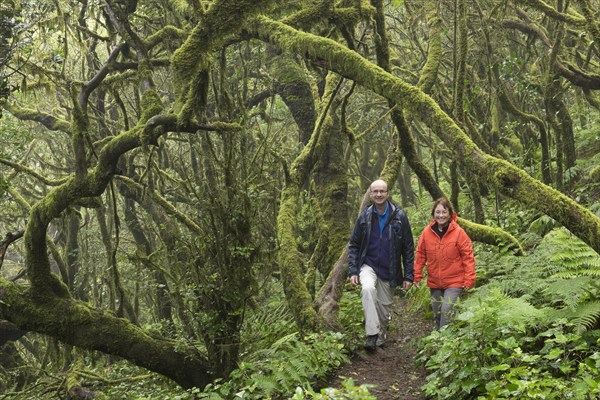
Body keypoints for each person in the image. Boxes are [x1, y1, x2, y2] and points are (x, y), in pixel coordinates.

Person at [348, 179, 414, 352]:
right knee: (368, 289)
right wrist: (353, 270)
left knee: (384, 310)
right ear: (370, 194)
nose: (378, 194)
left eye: (382, 191)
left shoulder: (400, 217)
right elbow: (354, 245)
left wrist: (408, 275)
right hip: (368, 265)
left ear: (387, 193)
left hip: (389, 269)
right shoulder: (364, 216)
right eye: (375, 191)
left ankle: (381, 333)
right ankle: (371, 334)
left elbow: (408, 248)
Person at [414, 197, 476, 329]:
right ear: (433, 214)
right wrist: (416, 275)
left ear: (450, 214)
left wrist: (469, 279)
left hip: (454, 281)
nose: (440, 215)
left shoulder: (459, 233)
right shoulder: (426, 233)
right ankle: (439, 340)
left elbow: (468, 256)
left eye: (444, 212)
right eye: (438, 212)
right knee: (437, 313)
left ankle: (445, 342)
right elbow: (420, 255)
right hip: (435, 282)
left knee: (447, 311)